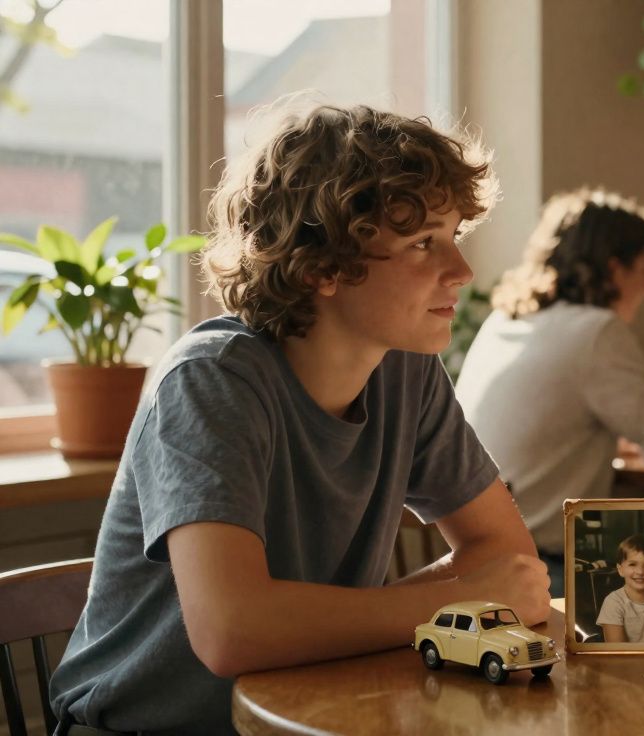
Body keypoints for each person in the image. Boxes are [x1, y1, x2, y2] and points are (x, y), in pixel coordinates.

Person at [48, 103, 551, 734]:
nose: (462, 271)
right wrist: (449, 601)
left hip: (313, 709)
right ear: (322, 265)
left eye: (454, 238)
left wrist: (412, 606)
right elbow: (232, 632)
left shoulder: (405, 371)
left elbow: (502, 550)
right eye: (424, 243)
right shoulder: (210, 382)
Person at [456, 187, 644, 596]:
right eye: (643, 268)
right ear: (614, 270)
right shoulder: (596, 332)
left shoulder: (504, 321)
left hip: (472, 562)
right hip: (544, 572)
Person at [596, 534, 644, 643]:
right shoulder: (613, 602)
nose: (640, 571)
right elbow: (617, 651)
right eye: (632, 564)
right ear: (620, 570)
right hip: (624, 658)